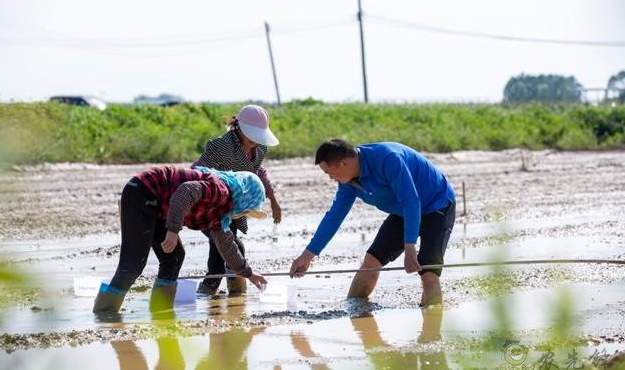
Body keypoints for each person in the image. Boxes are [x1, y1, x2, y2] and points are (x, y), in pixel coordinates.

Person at [289, 139, 456, 306]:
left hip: (437, 206)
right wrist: (307, 256)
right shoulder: (347, 183)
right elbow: (334, 217)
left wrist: (410, 247)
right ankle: (353, 309)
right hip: (402, 212)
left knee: (428, 272)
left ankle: (432, 328)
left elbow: (411, 201)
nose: (331, 178)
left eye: (329, 173)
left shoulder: (388, 158)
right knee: (370, 263)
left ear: (344, 163)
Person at [93, 166, 268, 314]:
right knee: (132, 265)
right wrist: (173, 229)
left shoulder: (220, 212)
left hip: (158, 207)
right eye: (246, 210)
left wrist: (249, 274)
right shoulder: (220, 191)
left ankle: (160, 311)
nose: (243, 215)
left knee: (174, 256)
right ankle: (104, 315)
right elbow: (185, 191)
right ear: (243, 197)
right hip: (142, 192)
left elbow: (226, 244)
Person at [191, 104, 281, 296]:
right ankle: (229, 289)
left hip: (237, 205)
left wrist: (272, 198)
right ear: (239, 128)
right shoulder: (220, 146)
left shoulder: (259, 148)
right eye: (252, 135)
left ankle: (221, 293)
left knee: (219, 246)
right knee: (232, 245)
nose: (256, 140)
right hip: (212, 204)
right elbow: (197, 170)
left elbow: (257, 170)